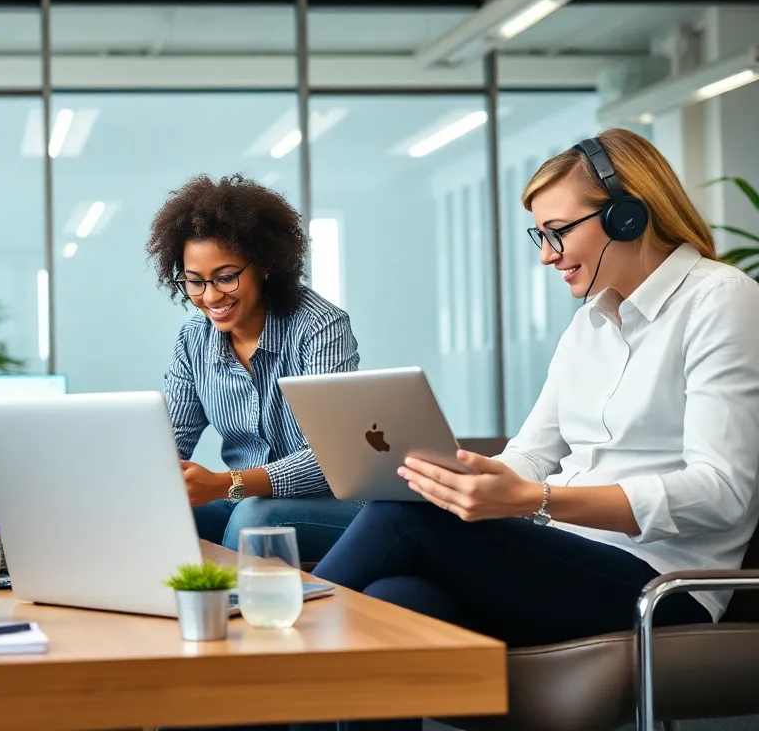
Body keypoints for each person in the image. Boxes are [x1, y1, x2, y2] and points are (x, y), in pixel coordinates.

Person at [313, 129, 759, 730]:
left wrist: (535, 499)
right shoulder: (589, 325)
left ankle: (250, 670)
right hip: (568, 563)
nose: (547, 256)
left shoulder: (721, 300)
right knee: (395, 602)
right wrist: (472, 476)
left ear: (628, 216)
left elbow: (722, 491)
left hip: (660, 586)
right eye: (540, 236)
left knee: (403, 518)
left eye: (558, 231)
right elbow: (529, 454)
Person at [147, 173, 362, 564]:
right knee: (167, 517)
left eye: (225, 277)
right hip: (243, 501)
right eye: (194, 282)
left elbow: (329, 458)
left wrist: (225, 484)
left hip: (335, 504)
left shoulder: (320, 327)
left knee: (254, 518)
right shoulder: (193, 339)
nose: (211, 296)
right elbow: (170, 442)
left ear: (264, 265)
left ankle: (233, 601)